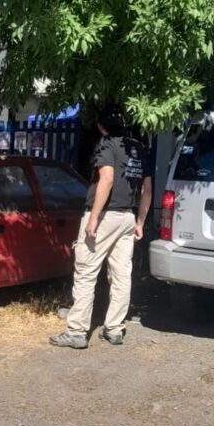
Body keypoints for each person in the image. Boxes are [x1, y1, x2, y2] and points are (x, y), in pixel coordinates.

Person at [49, 107, 152, 349]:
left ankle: (76, 332)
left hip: (106, 216)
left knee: (86, 272)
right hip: (127, 216)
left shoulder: (107, 145)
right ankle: (114, 329)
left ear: (101, 127)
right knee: (121, 274)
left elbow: (106, 179)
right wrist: (140, 222)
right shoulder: (138, 148)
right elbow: (147, 188)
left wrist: (94, 218)